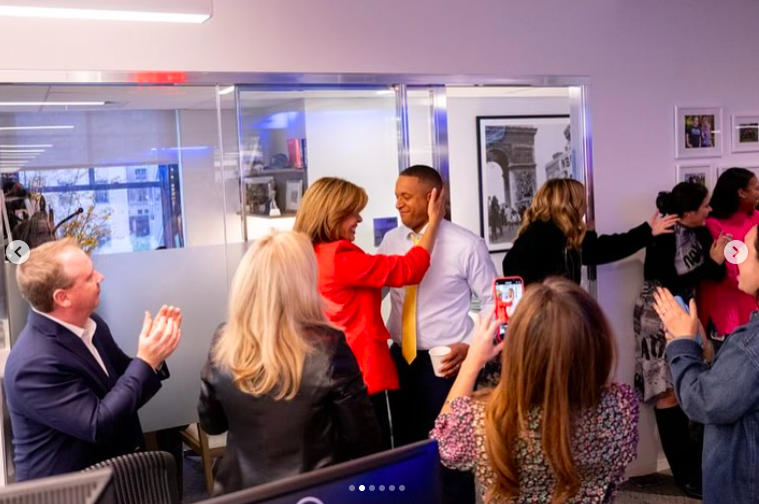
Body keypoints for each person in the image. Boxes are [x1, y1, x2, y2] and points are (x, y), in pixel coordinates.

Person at [198, 232, 380, 496]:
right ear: (304, 282)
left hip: (240, 496)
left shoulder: (223, 343)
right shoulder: (329, 348)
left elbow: (212, 424)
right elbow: (365, 443)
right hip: (313, 495)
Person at [431, 278, 639, 503]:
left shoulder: (485, 420)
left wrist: (472, 362)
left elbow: (444, 443)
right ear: (597, 344)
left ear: (516, 349)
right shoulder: (620, 407)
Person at [4, 238, 181, 481]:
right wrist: (146, 362)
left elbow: (121, 379)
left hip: (110, 475)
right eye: (88, 277)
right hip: (68, 493)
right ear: (62, 297)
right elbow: (97, 424)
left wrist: (154, 353)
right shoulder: (32, 365)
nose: (100, 277)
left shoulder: (91, 323)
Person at [293, 176, 445, 449]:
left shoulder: (306, 253)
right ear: (333, 215)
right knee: (371, 457)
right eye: (354, 212)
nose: (360, 219)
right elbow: (410, 270)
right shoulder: (340, 255)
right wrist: (433, 222)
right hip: (356, 372)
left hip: (325, 371)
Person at [378, 165, 496, 504]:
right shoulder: (392, 241)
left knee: (450, 454)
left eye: (405, 196)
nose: (398, 204)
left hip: (446, 367)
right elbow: (377, 292)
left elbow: (495, 303)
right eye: (396, 196)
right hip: (401, 360)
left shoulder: (466, 244)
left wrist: (471, 346)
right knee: (405, 449)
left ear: (432, 198)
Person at [652, 224, 759, 504]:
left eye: (748, 250)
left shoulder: (751, 343)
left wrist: (682, 344)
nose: (738, 257)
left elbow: (703, 402)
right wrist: (710, 352)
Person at [634, 182, 728, 498]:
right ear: (687, 212)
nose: (710, 210)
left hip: (686, 311)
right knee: (667, 392)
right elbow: (667, 279)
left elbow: (710, 275)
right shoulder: (664, 234)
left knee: (691, 386)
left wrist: (715, 261)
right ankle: (685, 474)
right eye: (705, 206)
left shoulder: (700, 230)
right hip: (658, 312)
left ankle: (697, 469)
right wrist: (709, 265)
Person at [502, 178, 678, 286]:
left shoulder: (552, 232)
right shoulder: (544, 235)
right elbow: (601, 249)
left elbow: (600, 250)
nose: (585, 205)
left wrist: (647, 231)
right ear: (568, 204)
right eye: (582, 200)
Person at [697, 167, 759, 352]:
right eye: (756, 188)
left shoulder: (756, 217)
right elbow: (729, 272)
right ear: (741, 193)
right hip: (724, 311)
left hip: (751, 304)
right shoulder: (713, 224)